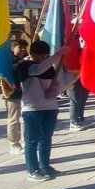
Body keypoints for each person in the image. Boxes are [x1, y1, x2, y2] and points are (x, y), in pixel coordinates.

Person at [17, 40, 66, 181]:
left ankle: (45, 166)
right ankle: (33, 170)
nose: (42, 58)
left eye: (45, 55)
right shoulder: (25, 66)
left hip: (50, 106)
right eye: (39, 55)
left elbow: (57, 82)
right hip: (32, 108)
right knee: (32, 140)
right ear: (32, 54)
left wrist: (55, 88)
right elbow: (38, 70)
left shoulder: (49, 66)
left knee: (46, 138)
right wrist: (58, 54)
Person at [4, 39, 28, 154]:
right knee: (14, 119)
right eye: (20, 47)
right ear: (13, 47)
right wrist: (23, 63)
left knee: (24, 118)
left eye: (24, 48)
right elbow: (13, 70)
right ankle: (14, 144)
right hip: (12, 92)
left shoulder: (21, 59)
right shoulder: (8, 60)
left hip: (25, 92)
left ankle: (25, 140)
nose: (23, 50)